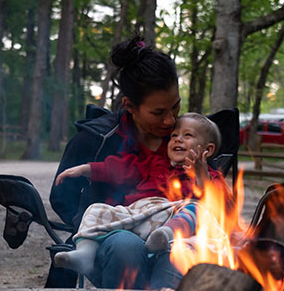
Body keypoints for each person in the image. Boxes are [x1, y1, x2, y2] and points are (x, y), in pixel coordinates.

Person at [49, 36, 181, 289]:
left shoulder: (185, 137)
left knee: (177, 252)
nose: (170, 120)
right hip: (113, 236)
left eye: (175, 107)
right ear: (129, 105)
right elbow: (61, 197)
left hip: (172, 230)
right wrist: (97, 226)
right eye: (158, 112)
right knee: (125, 246)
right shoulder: (96, 140)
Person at [52, 113, 227, 276]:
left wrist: (201, 175)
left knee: (196, 208)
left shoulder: (211, 177)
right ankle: (85, 254)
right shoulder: (154, 162)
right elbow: (121, 169)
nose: (178, 139)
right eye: (174, 135)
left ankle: (164, 236)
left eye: (187, 135)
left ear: (208, 149)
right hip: (139, 216)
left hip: (174, 221)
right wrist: (87, 169)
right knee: (95, 209)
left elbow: (217, 203)